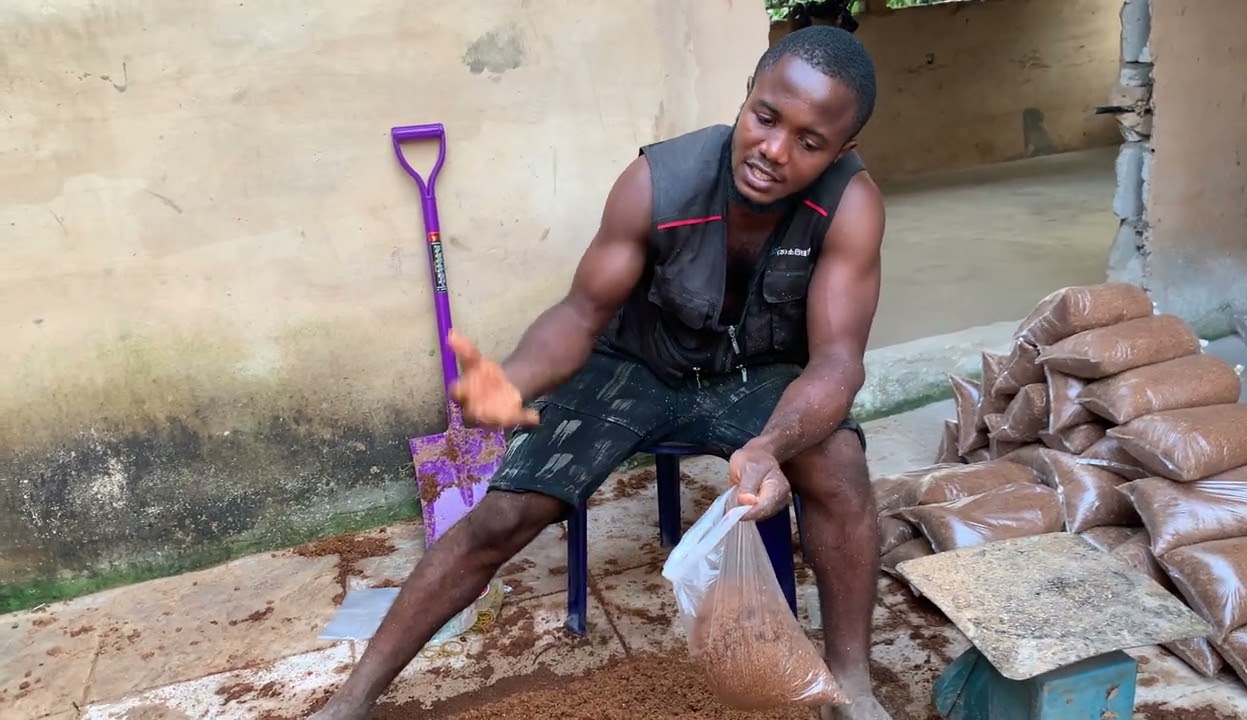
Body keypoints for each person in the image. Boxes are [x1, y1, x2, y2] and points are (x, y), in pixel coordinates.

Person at [312, 24, 888, 720]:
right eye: (766, 118)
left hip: (755, 374)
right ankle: (352, 699)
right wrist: (516, 381)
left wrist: (769, 447)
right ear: (747, 97)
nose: (773, 150)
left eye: (809, 141)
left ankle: (851, 685)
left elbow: (835, 361)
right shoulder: (658, 180)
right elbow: (581, 315)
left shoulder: (850, 206)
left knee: (841, 470)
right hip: (638, 364)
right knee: (502, 514)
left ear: (843, 149)